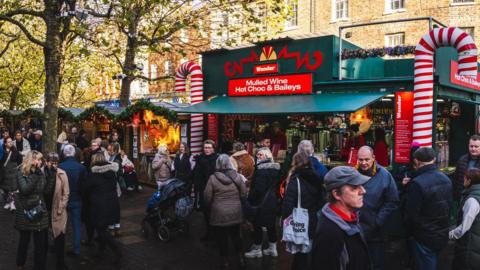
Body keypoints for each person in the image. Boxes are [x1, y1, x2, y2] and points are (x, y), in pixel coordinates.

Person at [311, 166, 370, 270]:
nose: (363, 191)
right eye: (354, 187)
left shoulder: (350, 219)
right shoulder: (329, 234)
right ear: (336, 194)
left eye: (361, 185)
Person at [404, 147, 452, 270]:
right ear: (434, 159)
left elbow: (411, 214)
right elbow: (449, 206)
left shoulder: (417, 183)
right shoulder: (446, 179)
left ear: (416, 161)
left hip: (423, 236)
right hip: (441, 232)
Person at [356, 146, 399, 270]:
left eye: (366, 159)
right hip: (354, 228)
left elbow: (393, 200)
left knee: (375, 263)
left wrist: (378, 220)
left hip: (374, 231)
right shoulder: (352, 173)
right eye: (360, 160)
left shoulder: (384, 175)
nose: (363, 163)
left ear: (373, 158)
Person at [282, 152, 325, 269]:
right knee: (308, 253)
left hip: (299, 221)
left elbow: (288, 205)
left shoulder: (295, 181)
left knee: (301, 255)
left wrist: (285, 221)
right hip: (312, 220)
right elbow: (322, 201)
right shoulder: (317, 178)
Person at [203, 154, 247, 269]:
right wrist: (240, 202)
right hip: (235, 211)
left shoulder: (213, 178)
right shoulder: (237, 176)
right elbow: (244, 193)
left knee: (222, 239)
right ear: (229, 163)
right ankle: (241, 258)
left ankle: (225, 262)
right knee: (236, 236)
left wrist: (211, 206)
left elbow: (207, 197)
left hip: (219, 213)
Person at [15, 150, 55, 270]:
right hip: (26, 212)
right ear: (31, 160)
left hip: (39, 211)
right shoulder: (21, 172)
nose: (41, 162)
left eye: (41, 159)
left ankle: (40, 266)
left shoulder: (40, 173)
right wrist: (36, 175)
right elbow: (25, 189)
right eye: (38, 159)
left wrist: (51, 175)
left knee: (40, 244)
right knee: (24, 241)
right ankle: (20, 264)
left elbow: (46, 191)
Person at [81, 153, 122, 264]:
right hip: (112, 204)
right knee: (102, 228)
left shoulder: (94, 175)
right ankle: (101, 251)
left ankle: (117, 249)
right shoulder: (111, 174)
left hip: (99, 206)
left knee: (101, 229)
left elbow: (85, 189)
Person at [245, 147, 280, 258]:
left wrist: (250, 198)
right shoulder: (277, 170)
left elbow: (258, 189)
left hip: (260, 202)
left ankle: (257, 249)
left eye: (260, 155)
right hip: (272, 201)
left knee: (257, 225)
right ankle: (272, 248)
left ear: (266, 156)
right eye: (257, 155)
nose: (258, 157)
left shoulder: (261, 171)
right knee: (271, 225)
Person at [58, 145, 87, 255]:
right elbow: (84, 186)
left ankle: (60, 247)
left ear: (64, 154)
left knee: (61, 225)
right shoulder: (81, 167)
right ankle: (77, 249)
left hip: (62, 200)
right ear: (74, 153)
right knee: (76, 225)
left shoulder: (60, 166)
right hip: (77, 199)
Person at [450, 168, 480, 269]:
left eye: (464, 178)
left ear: (469, 181)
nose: (463, 180)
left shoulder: (472, 200)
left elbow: (464, 227)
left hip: (470, 245)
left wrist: (449, 234)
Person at [45, 153, 70, 270]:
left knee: (60, 236)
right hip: (45, 210)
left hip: (57, 210)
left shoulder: (62, 174)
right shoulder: (42, 173)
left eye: (56, 163)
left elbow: (66, 193)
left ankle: (60, 262)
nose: (54, 165)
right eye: (51, 162)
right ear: (47, 162)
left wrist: (61, 207)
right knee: (44, 237)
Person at [193, 139, 219, 241]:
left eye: (209, 148)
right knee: (205, 213)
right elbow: (195, 172)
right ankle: (209, 233)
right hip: (201, 189)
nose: (206, 149)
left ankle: (214, 236)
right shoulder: (201, 158)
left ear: (213, 149)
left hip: (212, 190)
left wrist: (202, 161)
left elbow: (210, 172)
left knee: (212, 214)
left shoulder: (216, 159)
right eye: (205, 148)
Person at [455, 134, 480, 202]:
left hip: (477, 198)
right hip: (462, 197)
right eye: (471, 146)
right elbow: (457, 179)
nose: (473, 149)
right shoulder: (462, 159)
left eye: (476, 146)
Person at [1, 137, 22, 210]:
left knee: (12, 189)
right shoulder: (2, 151)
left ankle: (12, 203)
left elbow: (20, 160)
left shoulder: (15, 151)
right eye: (9, 142)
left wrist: (16, 168)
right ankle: (8, 202)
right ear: (5, 143)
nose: (10, 143)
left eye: (11, 142)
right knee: (5, 189)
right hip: (4, 173)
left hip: (13, 173)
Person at [107, 143, 122, 237]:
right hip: (112, 186)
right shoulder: (111, 158)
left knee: (114, 207)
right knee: (114, 207)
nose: (108, 151)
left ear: (115, 151)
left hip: (114, 186)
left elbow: (118, 172)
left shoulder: (117, 159)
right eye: (108, 149)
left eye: (110, 150)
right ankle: (115, 227)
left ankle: (114, 227)